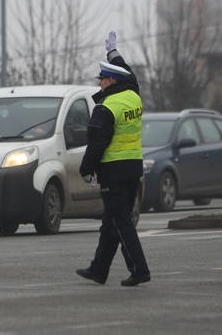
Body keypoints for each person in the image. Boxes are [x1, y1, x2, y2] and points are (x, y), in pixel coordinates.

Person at [76, 31, 151, 287]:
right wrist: (113, 53)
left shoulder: (105, 107)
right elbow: (127, 72)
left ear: (111, 81)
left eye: (102, 79)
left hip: (113, 171)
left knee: (120, 222)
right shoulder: (133, 95)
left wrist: (86, 168)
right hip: (132, 169)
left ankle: (139, 269)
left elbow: (97, 144)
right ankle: (99, 269)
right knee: (111, 221)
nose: (100, 84)